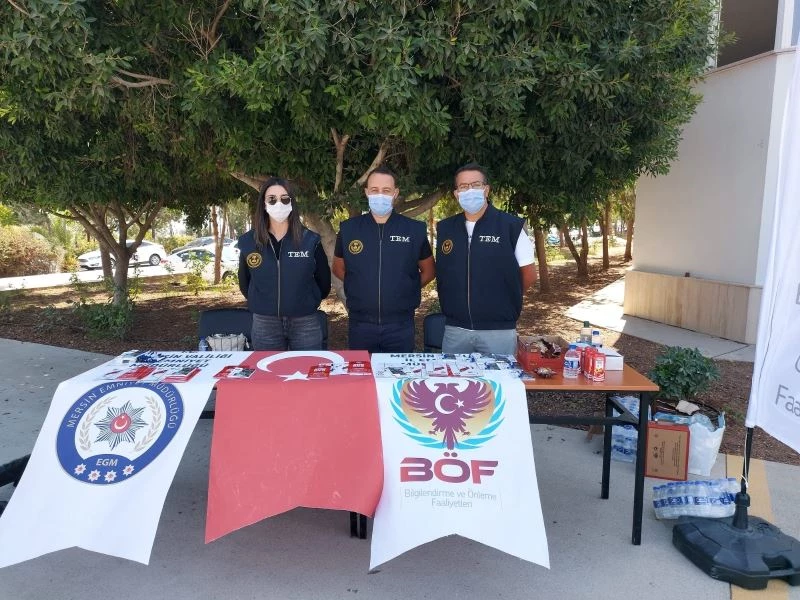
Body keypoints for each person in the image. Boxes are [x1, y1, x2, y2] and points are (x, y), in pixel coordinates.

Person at [435, 162, 536, 355]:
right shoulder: (445, 228)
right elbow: (444, 273)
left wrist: (503, 298)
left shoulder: (510, 227)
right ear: (456, 194)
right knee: (454, 375)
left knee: (500, 376)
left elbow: (529, 275)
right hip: (456, 330)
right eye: (463, 186)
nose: (469, 190)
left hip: (498, 331)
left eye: (476, 185)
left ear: (486, 190)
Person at [332, 165, 435, 353]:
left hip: (400, 325)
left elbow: (429, 271)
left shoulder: (414, 230)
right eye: (374, 190)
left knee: (397, 371)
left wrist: (407, 287)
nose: (380, 195)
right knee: (363, 372)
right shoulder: (348, 229)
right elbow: (338, 267)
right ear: (366, 192)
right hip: (360, 324)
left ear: (395, 193)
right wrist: (359, 285)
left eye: (386, 190)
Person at [237, 177, 331, 350]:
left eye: (284, 199)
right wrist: (264, 303)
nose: (278, 204)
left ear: (291, 203)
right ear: (264, 204)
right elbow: (245, 283)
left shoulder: (310, 240)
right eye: (272, 199)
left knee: (307, 367)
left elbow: (324, 282)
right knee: (267, 368)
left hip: (305, 321)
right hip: (265, 323)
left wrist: (307, 301)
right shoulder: (249, 242)